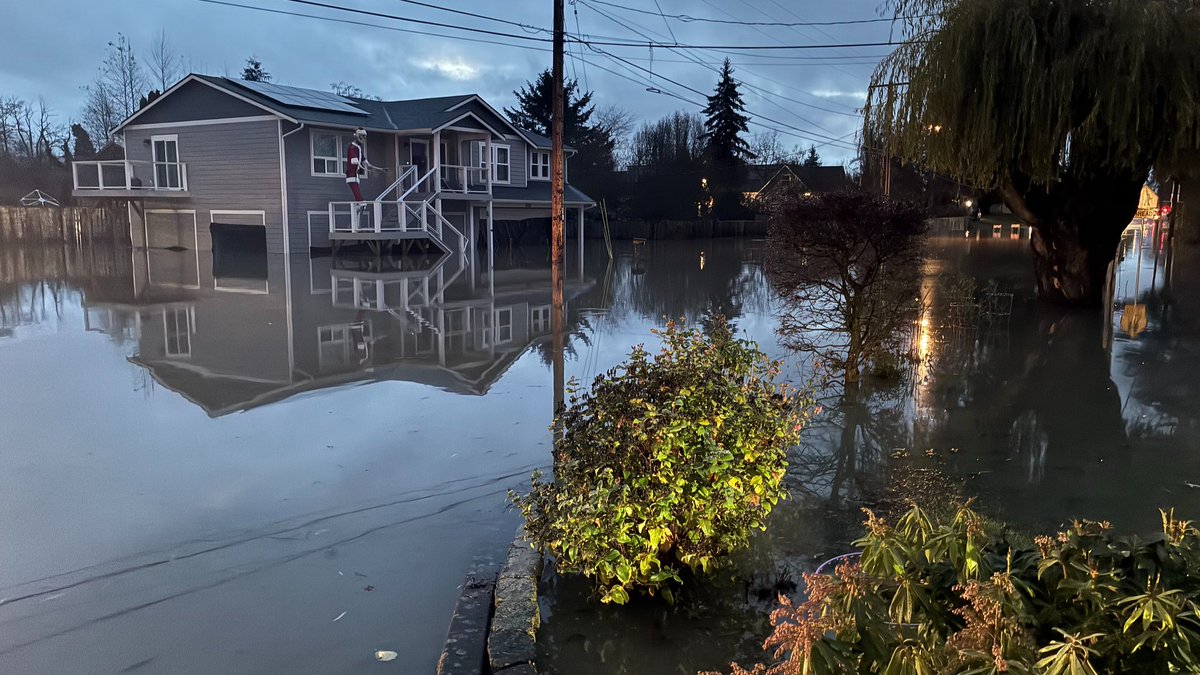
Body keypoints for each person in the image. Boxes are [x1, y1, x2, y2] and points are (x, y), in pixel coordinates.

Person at [346, 127, 384, 202]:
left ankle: (360, 200)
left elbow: (361, 156)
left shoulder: (358, 147)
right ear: (357, 136)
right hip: (351, 172)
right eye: (362, 136)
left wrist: (367, 163)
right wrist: (356, 161)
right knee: (354, 186)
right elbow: (353, 157)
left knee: (356, 185)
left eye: (364, 137)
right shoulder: (352, 146)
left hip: (355, 173)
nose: (363, 139)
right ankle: (360, 201)